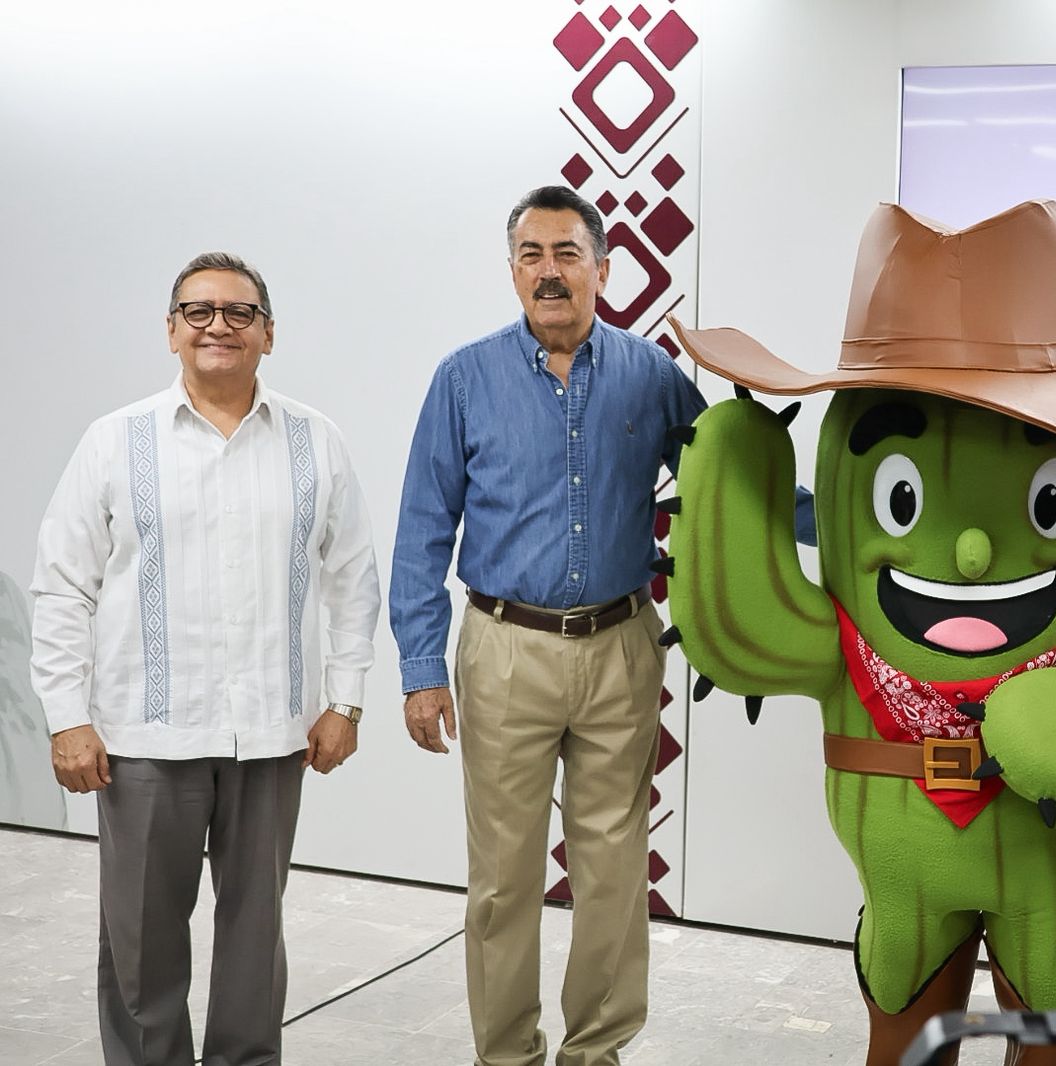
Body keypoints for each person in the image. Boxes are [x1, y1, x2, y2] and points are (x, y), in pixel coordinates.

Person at [31, 251, 382, 1066]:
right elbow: (63, 587)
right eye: (198, 312)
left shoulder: (315, 441)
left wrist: (346, 700)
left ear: (268, 333)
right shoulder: (116, 442)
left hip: (273, 738)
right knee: (141, 943)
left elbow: (353, 579)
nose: (217, 326)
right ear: (171, 330)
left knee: (256, 941)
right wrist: (67, 718)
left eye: (238, 312)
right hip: (144, 740)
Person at [390, 185, 706, 1066]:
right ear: (512, 272)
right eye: (531, 255)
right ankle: (507, 1055)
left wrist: (831, 515)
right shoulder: (464, 379)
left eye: (568, 253)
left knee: (613, 870)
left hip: (620, 648)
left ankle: (595, 1051)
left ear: (603, 267)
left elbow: (728, 481)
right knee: (503, 877)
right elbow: (422, 530)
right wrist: (422, 669)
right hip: (504, 650)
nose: (550, 272)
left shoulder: (651, 376)